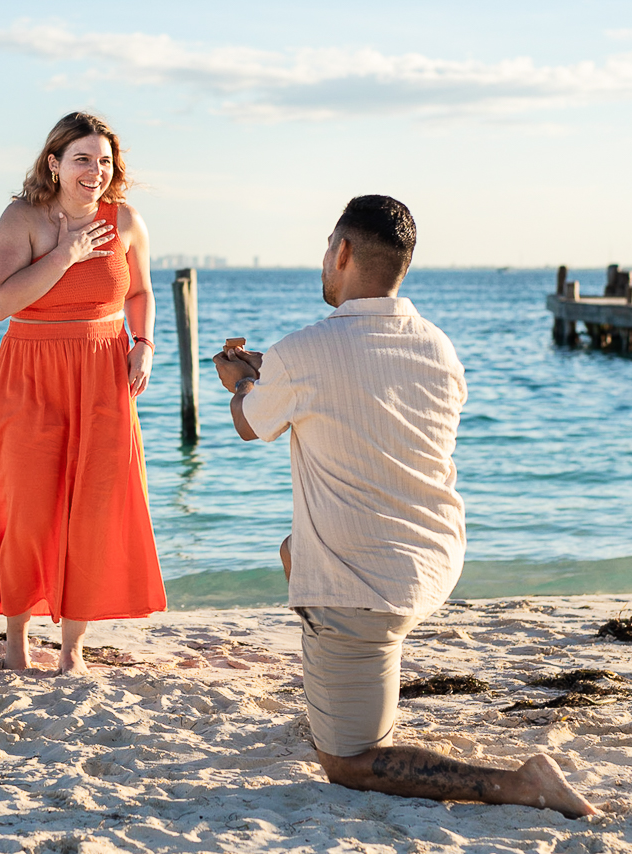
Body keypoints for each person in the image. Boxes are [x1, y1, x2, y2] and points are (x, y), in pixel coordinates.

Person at [212, 195, 597, 818]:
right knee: (295, 552)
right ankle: (333, 689)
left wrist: (245, 381)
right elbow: (357, 389)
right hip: (435, 556)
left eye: (325, 248)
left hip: (366, 587)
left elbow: (248, 424)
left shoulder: (303, 352)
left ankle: (523, 783)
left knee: (348, 763)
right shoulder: (437, 347)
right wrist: (275, 372)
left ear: (342, 252)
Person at [0, 112, 165, 676]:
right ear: (54, 162)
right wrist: (65, 255)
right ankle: (18, 644)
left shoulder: (124, 221)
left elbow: (142, 290)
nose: (95, 172)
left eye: (104, 161)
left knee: (94, 507)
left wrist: (144, 342)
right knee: (28, 508)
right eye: (82, 160)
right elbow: (0, 303)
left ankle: (73, 650)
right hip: (31, 372)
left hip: (103, 372)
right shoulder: (21, 217)